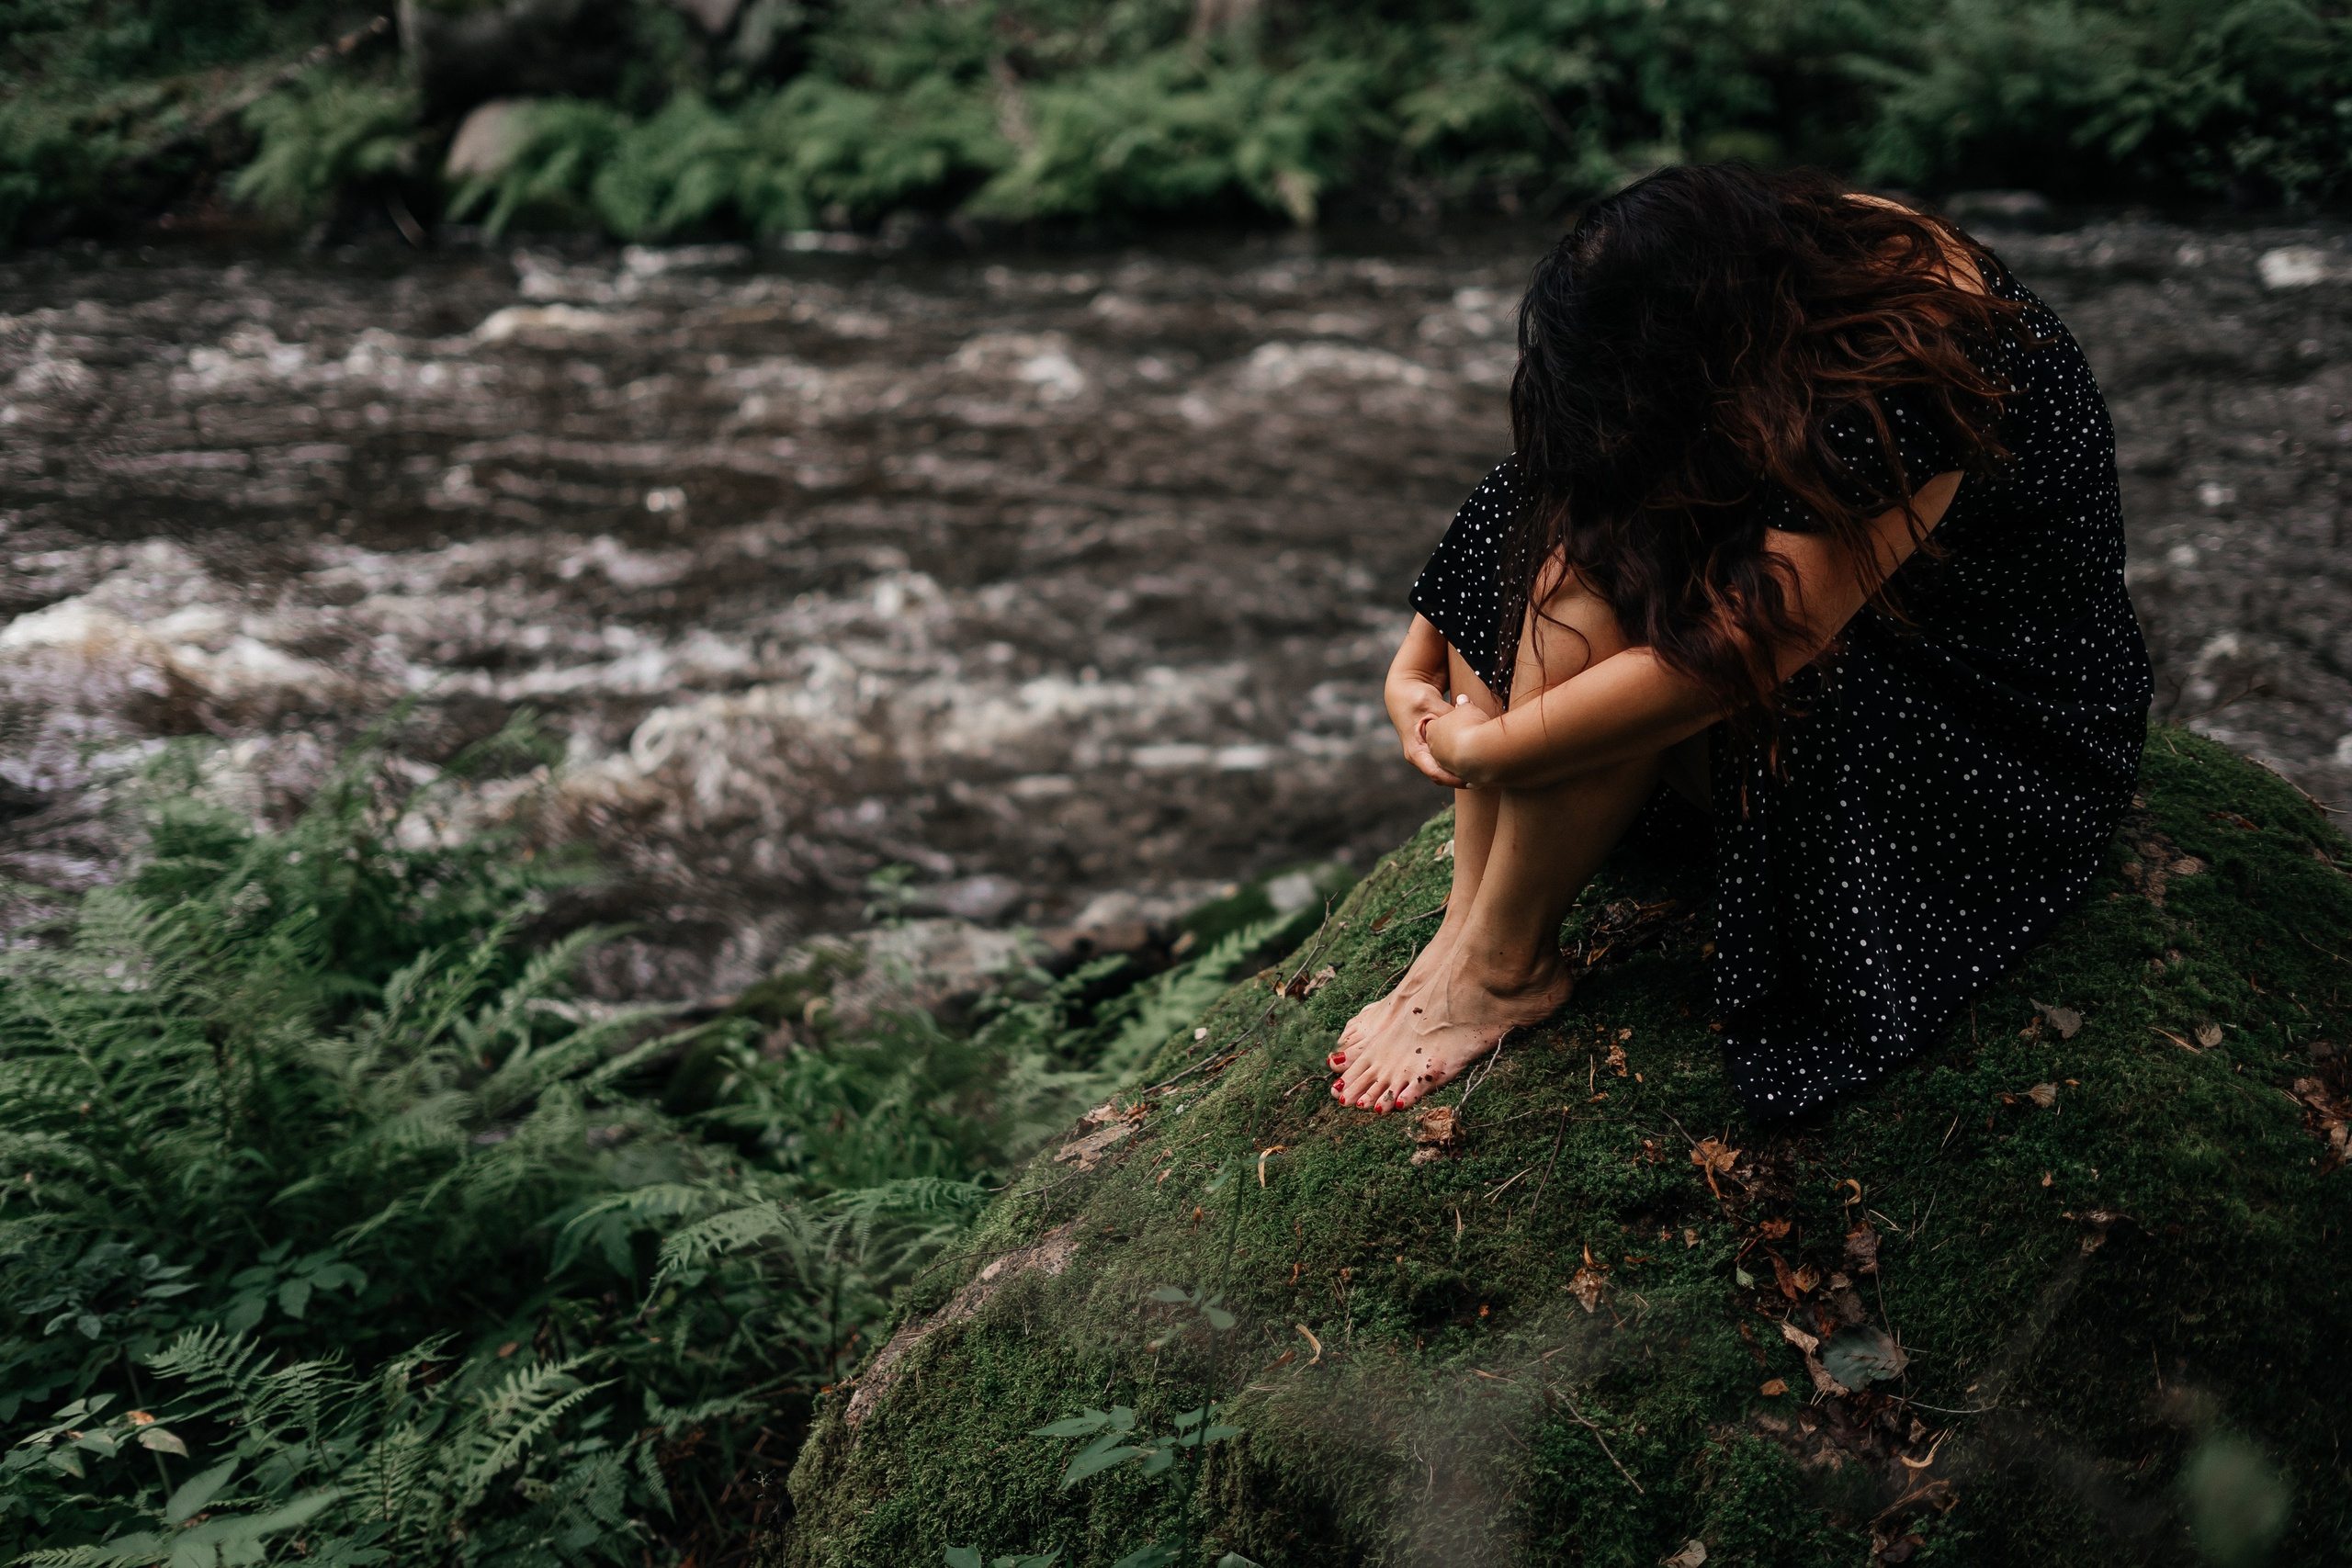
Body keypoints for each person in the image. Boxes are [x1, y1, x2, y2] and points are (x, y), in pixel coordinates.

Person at [1329, 164, 2153, 1119]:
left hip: (1984, 712)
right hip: (1859, 608)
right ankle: (1473, 928)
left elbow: (1748, 648)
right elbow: (1556, 468)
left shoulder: (1905, 370)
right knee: (1557, 534)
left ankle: (1501, 967)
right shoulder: (1775, 262)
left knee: (1623, 599)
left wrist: (1485, 749)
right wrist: (1412, 661)